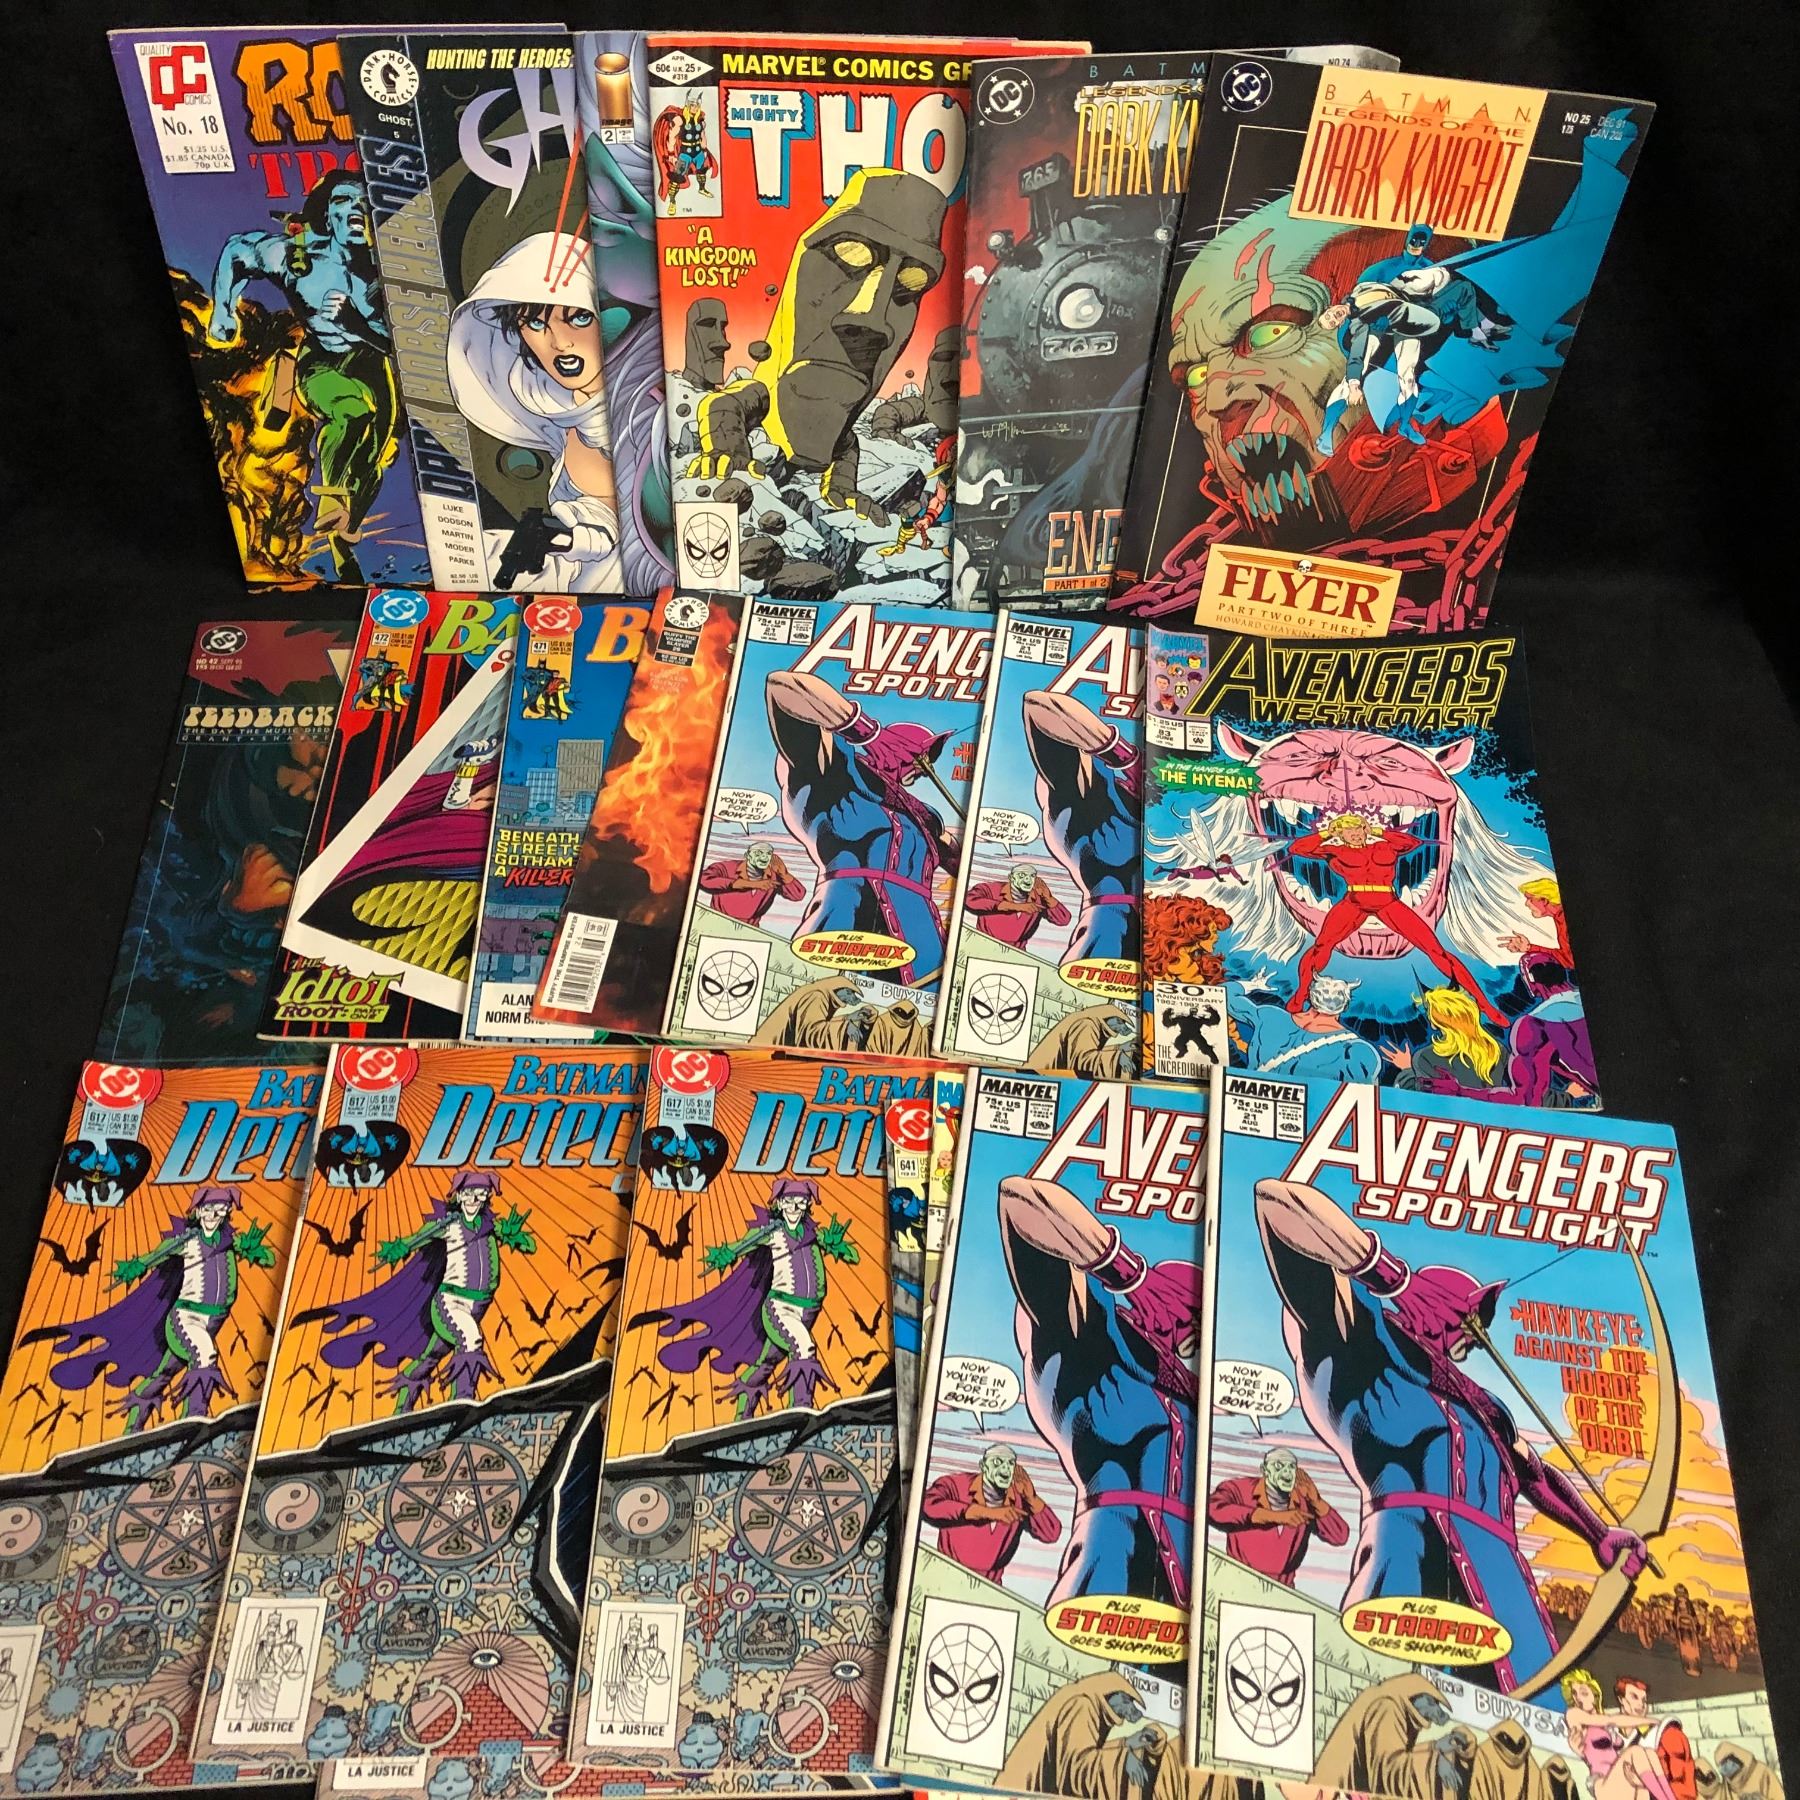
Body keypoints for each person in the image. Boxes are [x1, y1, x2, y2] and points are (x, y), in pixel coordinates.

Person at [1252, 1177, 1650, 1696]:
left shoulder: (1484, 1407)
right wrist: (1391, 1278)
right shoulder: (1357, 1348)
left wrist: (1598, 1533)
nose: (1477, 1331)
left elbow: (1534, 1474)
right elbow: (1277, 1202)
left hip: (1510, 1607)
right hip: (1407, 1576)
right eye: (1470, 1314)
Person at [997, 1175, 1200, 1608]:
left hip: (1189, 1604)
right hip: (1103, 1583)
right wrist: (1129, 1275)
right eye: (1185, 1318)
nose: (1190, 1340)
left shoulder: (1191, 1404)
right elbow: (1022, 1200)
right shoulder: (1089, 1354)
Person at [446, 234, 624, 592]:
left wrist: (580, 539)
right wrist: (568, 540)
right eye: (537, 324)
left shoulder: (641, 410)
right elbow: (598, 517)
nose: (559, 342)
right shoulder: (555, 411)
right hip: (583, 582)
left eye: (578, 318)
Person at [1284, 812, 1505, 1027]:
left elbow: (1413, 843)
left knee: (1435, 950)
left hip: (1388, 901)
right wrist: (1326, 834)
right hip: (1354, 902)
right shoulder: (1335, 851)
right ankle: (1301, 994)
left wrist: (1378, 831)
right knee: (1322, 946)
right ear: (1341, 835)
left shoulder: (1383, 846)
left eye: (1359, 828)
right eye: (1349, 831)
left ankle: (1484, 1004)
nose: (1356, 834)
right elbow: (1296, 849)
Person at [1205, 1446, 1348, 1586]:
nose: (1286, 1472)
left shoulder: (1305, 1501)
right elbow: (1211, 1509)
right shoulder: (1239, 1489)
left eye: (1291, 1467)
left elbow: (1340, 1536)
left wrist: (1316, 1500)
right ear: (1264, 1470)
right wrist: (1275, 1517)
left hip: (1283, 1591)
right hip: (1238, 1583)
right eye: (1279, 1466)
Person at [921, 1443, 1063, 1583]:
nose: (1005, 1468)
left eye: (1010, 1463)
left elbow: (1051, 1533)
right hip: (945, 1576)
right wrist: (988, 1513)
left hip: (990, 1586)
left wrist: (1032, 1498)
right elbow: (927, 1504)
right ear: (983, 1466)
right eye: (997, 1462)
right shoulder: (955, 1485)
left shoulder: (1019, 1499)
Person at [1382, 988, 1504, 1091]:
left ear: (1436, 1022)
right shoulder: (1497, 1050)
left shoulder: (1425, 1057)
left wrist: (1408, 1070)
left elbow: (1422, 1099)